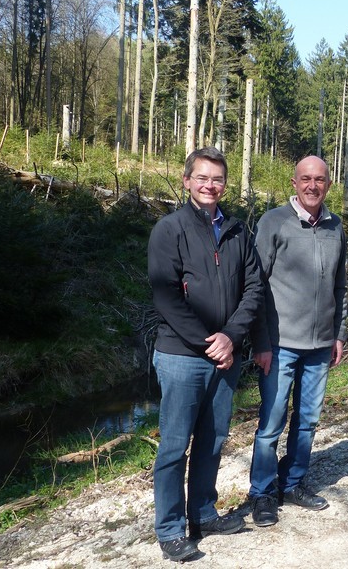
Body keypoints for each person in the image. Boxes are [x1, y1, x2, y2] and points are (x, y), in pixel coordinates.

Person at [147, 146, 264, 562]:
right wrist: (208, 342)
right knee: (175, 445)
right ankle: (171, 530)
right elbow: (165, 295)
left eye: (216, 179)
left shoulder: (236, 231)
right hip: (181, 355)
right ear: (187, 181)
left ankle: (203, 514)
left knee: (212, 441)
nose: (209, 185)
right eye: (202, 178)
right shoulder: (169, 229)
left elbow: (254, 288)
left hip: (225, 355)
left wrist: (231, 335)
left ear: (224, 184)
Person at [248, 155, 348, 527]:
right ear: (294, 182)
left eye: (319, 179)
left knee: (307, 421)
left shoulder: (335, 226)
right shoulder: (273, 222)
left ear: (328, 184)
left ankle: (293, 483)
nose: (312, 186)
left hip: (321, 345)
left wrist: (338, 334)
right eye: (305, 179)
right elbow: (254, 285)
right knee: (271, 422)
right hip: (279, 345)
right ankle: (261, 492)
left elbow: (341, 285)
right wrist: (260, 341)